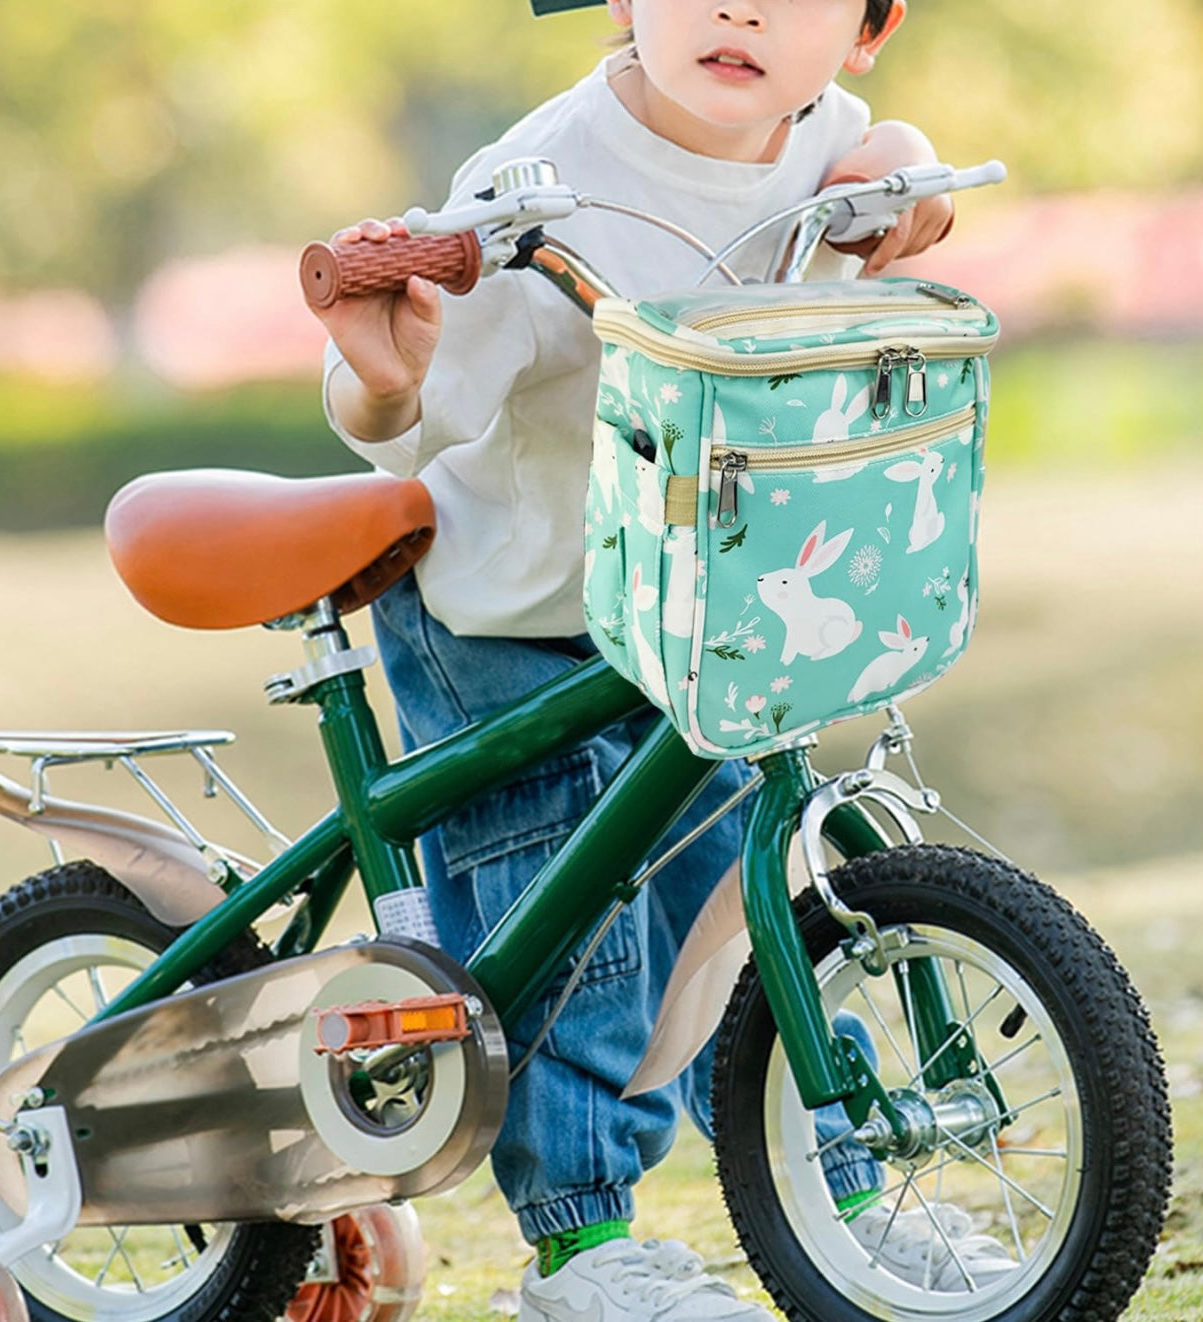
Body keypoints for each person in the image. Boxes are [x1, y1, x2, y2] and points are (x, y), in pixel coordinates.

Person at [317, 1, 1015, 1317]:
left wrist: (908, 172)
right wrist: (382, 372)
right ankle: (582, 1247)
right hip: (514, 611)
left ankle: (845, 1180)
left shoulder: (837, 147)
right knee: (571, 926)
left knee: (744, 896)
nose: (739, 7)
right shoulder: (540, 182)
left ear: (868, 30)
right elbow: (403, 415)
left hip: (706, 604)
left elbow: (892, 191)